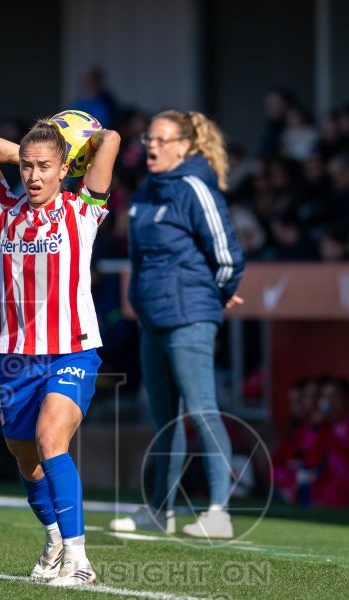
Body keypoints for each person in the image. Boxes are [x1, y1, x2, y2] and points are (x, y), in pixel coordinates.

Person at [0, 119, 120, 586]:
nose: (33, 176)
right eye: (28, 167)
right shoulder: (1, 209)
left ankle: (79, 559)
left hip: (72, 350)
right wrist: (32, 150)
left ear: (64, 170)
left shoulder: (83, 209)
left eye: (44, 167)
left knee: (51, 438)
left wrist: (70, 153)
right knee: (25, 456)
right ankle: (54, 538)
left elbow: (110, 140)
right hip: (14, 357)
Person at [110, 110, 245, 539]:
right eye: (150, 137)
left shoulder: (193, 187)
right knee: (165, 419)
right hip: (152, 320)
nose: (152, 145)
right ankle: (160, 511)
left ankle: (219, 511)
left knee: (202, 410)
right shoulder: (147, 192)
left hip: (190, 317)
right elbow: (139, 258)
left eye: (163, 140)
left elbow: (227, 254)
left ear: (185, 146)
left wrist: (217, 294)